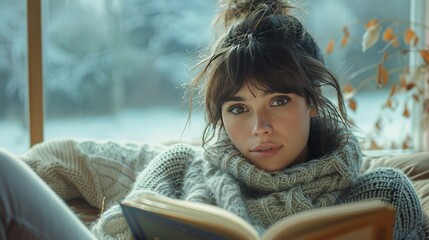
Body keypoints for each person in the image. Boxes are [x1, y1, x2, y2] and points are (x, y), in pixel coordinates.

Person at [0, 0, 425, 239]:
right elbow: (62, 161)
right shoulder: (179, 168)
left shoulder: (383, 194)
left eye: (278, 101)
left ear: (312, 102)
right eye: (238, 109)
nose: (259, 127)